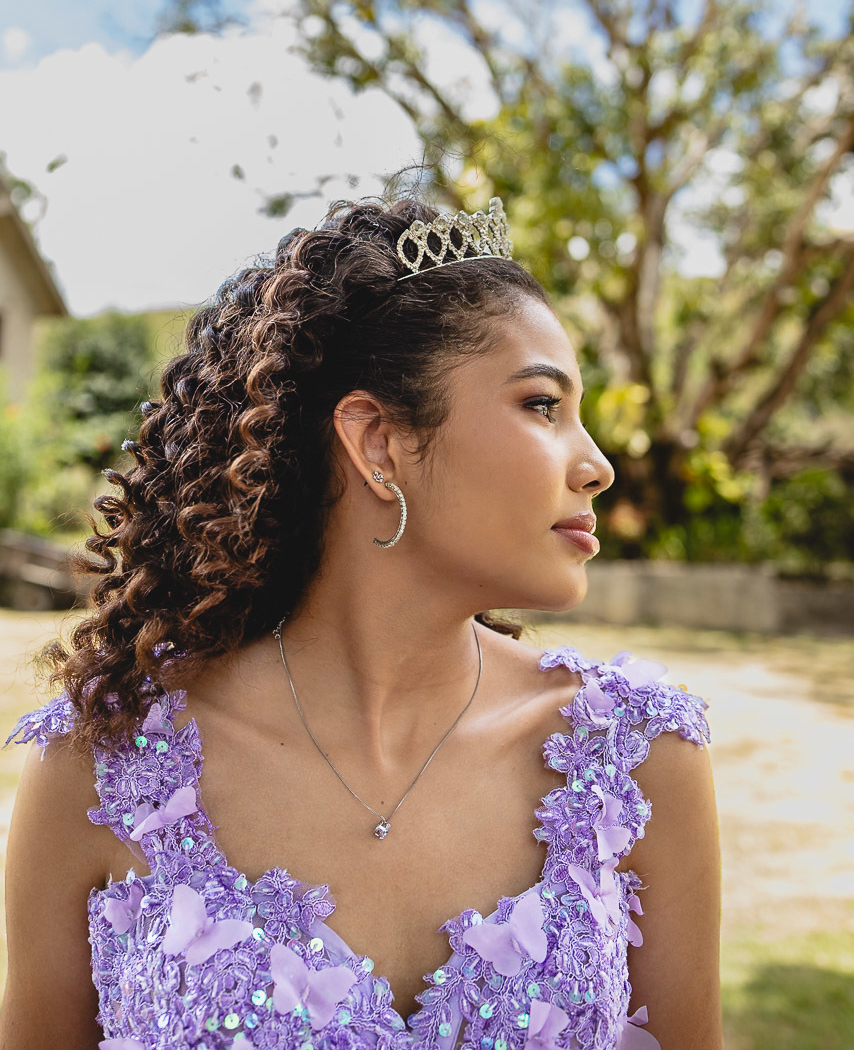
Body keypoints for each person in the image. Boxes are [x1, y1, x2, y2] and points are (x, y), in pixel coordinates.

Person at [0, 191, 722, 1050]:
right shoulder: (101, 772)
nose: (596, 464)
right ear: (378, 442)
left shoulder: (639, 758)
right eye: (542, 405)